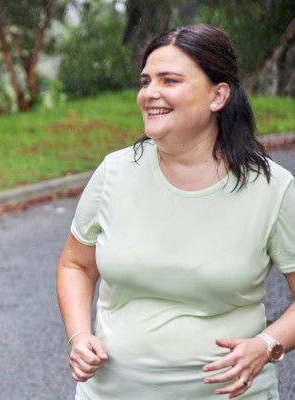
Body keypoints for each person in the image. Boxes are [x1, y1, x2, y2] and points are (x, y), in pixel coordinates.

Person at [56, 24, 295, 399]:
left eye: (169, 80)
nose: (150, 93)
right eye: (146, 80)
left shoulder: (273, 189)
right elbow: (76, 264)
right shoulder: (115, 172)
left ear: (218, 95)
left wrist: (266, 344)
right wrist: (79, 335)